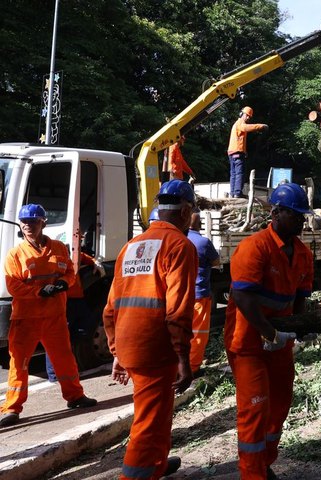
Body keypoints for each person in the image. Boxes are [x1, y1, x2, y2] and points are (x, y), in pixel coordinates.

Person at [103, 180, 198, 479]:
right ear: (185, 212)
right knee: (150, 419)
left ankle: (155, 465)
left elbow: (111, 307)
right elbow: (177, 309)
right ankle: (136, 474)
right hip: (156, 348)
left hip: (133, 344)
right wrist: (184, 357)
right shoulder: (180, 246)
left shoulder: (131, 246)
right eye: (193, 212)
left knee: (158, 411)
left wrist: (118, 351)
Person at [224, 182, 312, 479]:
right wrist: (270, 334)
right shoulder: (254, 248)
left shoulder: (302, 253)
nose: (302, 221)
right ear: (276, 213)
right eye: (296, 215)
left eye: (303, 215)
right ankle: (252, 474)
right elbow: (244, 299)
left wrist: (301, 329)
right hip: (249, 342)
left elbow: (301, 296)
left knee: (280, 406)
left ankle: (264, 463)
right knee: (255, 410)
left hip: (280, 342)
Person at [0, 204, 98, 427]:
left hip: (54, 316)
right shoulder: (16, 254)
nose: (28, 226)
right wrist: (38, 291)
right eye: (24, 222)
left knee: (64, 358)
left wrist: (64, 283)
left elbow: (70, 272)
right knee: (20, 363)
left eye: (33, 222)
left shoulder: (58, 248)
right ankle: (12, 409)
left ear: (43, 223)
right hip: (26, 319)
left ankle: (75, 396)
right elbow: (13, 286)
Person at [45, 250, 106, 382]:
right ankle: (55, 376)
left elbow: (82, 256)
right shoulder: (53, 255)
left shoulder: (69, 253)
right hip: (64, 300)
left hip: (77, 299)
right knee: (58, 339)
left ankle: (65, 370)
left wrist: (94, 261)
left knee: (79, 332)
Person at [187, 210, 221, 376]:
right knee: (198, 334)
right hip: (199, 295)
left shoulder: (178, 239)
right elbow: (216, 262)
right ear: (200, 224)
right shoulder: (203, 242)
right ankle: (192, 368)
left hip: (180, 296)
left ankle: (179, 367)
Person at [227, 106, 268, 198]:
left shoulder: (236, 124)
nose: (248, 118)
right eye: (247, 115)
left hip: (232, 152)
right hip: (237, 152)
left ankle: (233, 193)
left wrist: (244, 151)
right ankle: (237, 193)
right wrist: (260, 126)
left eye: (250, 116)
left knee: (233, 173)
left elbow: (239, 139)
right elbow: (245, 128)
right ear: (242, 114)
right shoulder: (240, 123)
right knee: (239, 173)